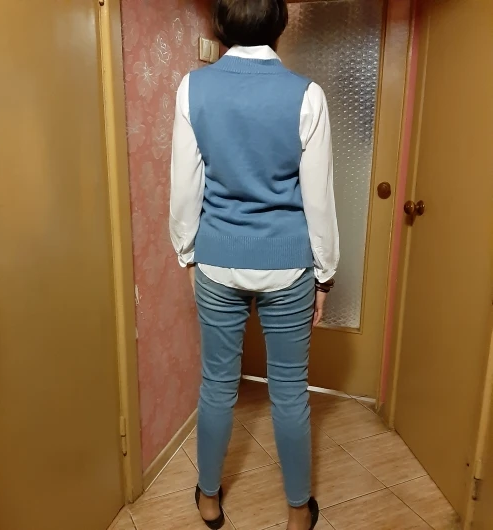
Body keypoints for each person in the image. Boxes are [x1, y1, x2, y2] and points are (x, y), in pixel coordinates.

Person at [169, 0, 339, 528]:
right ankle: (297, 513)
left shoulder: (192, 89)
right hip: (288, 265)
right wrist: (325, 273)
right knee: (289, 391)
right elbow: (318, 198)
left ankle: (208, 500)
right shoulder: (307, 95)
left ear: (221, 24)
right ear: (280, 22)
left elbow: (185, 187)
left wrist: (188, 253)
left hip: (217, 260)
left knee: (217, 385)